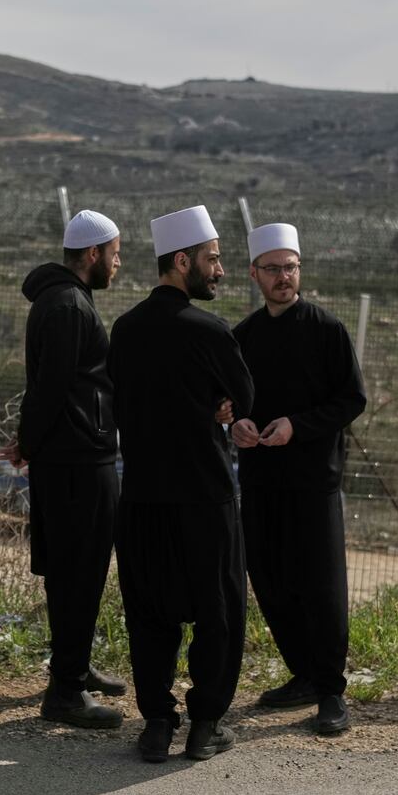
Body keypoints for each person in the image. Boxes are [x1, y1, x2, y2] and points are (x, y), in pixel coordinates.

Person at [108, 204, 254, 762]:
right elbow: (244, 396)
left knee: (150, 614)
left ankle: (156, 723)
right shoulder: (210, 330)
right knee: (218, 611)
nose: (219, 271)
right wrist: (220, 406)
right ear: (182, 260)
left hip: (142, 497)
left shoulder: (124, 329)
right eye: (213, 260)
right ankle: (206, 723)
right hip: (204, 498)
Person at [231, 223, 367, 736]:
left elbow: (351, 399)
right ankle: (304, 674)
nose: (284, 277)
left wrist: (297, 426)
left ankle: (331, 690)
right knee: (268, 577)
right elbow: (229, 403)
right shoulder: (242, 336)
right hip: (262, 479)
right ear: (254, 274)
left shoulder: (326, 329)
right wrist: (236, 424)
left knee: (322, 585)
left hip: (314, 480)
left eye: (290, 268)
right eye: (273, 269)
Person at [0, 209, 128, 729]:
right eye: (115, 254)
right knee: (80, 572)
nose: (118, 265)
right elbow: (51, 388)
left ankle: (70, 668)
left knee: (72, 573)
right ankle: (67, 693)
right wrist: (29, 442)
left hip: (68, 454)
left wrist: (30, 440)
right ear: (92, 255)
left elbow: (53, 387)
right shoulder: (69, 305)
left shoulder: (65, 300)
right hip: (77, 461)